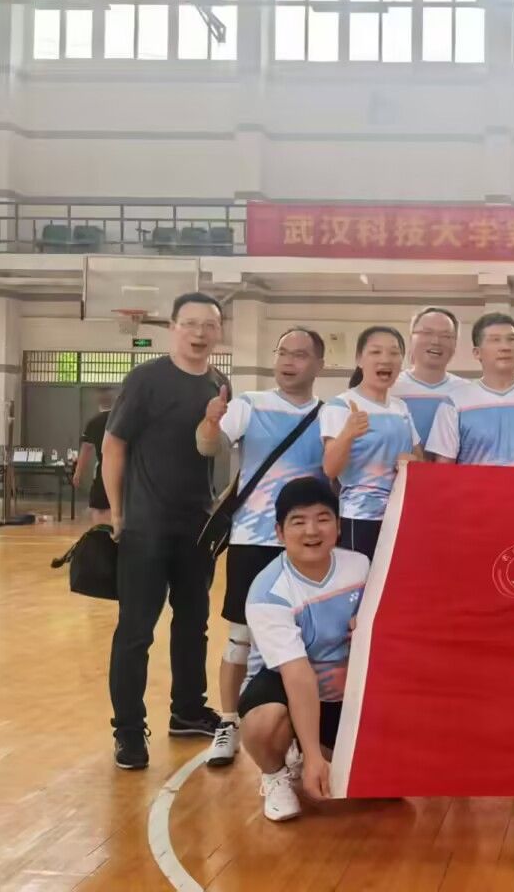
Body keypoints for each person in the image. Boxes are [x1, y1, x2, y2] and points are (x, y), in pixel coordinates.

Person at [103, 292, 229, 770]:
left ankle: (188, 711)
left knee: (193, 625)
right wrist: (118, 513)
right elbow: (114, 445)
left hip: (196, 528)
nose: (199, 333)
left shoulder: (219, 384)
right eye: (190, 323)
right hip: (146, 527)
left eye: (209, 325)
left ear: (219, 332)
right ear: (173, 327)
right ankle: (128, 731)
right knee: (136, 632)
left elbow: (211, 448)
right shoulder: (146, 380)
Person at [195, 327, 327, 768]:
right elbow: (207, 446)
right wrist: (210, 421)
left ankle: (294, 729)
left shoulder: (330, 415)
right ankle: (229, 722)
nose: (289, 361)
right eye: (283, 352)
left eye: (300, 355)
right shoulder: (250, 404)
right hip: (253, 539)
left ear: (319, 364)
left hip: (307, 544)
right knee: (241, 637)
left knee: (304, 642)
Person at [239, 477, 368, 822]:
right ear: (280, 533)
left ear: (338, 526)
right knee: (264, 723)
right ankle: (275, 774)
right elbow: (298, 675)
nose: (312, 530)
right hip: (287, 686)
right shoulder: (268, 592)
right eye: (298, 521)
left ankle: (312, 745)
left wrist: (371, 624)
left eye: (323, 518)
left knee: (386, 789)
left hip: (345, 693)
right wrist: (313, 758)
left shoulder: (361, 567)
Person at [321, 326, 421, 560]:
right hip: (360, 517)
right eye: (375, 352)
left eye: (394, 353)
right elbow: (330, 469)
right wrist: (348, 434)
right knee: (361, 580)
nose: (385, 359)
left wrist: (413, 462)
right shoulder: (341, 405)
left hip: (400, 515)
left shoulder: (401, 408)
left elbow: (420, 460)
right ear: (359, 359)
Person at [426, 313, 514, 467]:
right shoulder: (454, 402)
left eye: (511, 339)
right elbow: (444, 467)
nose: (505, 347)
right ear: (477, 353)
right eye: (495, 340)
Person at [392, 306, 469, 444]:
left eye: (446, 336)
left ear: (455, 344)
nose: (436, 341)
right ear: (411, 338)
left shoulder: (466, 392)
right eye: (427, 333)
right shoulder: (391, 389)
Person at [73, 388, 116, 525]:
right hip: (126, 472)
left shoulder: (94, 423)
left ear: (98, 402)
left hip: (104, 471)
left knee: (99, 510)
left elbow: (86, 449)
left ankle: (102, 532)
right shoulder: (123, 420)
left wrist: (78, 472)